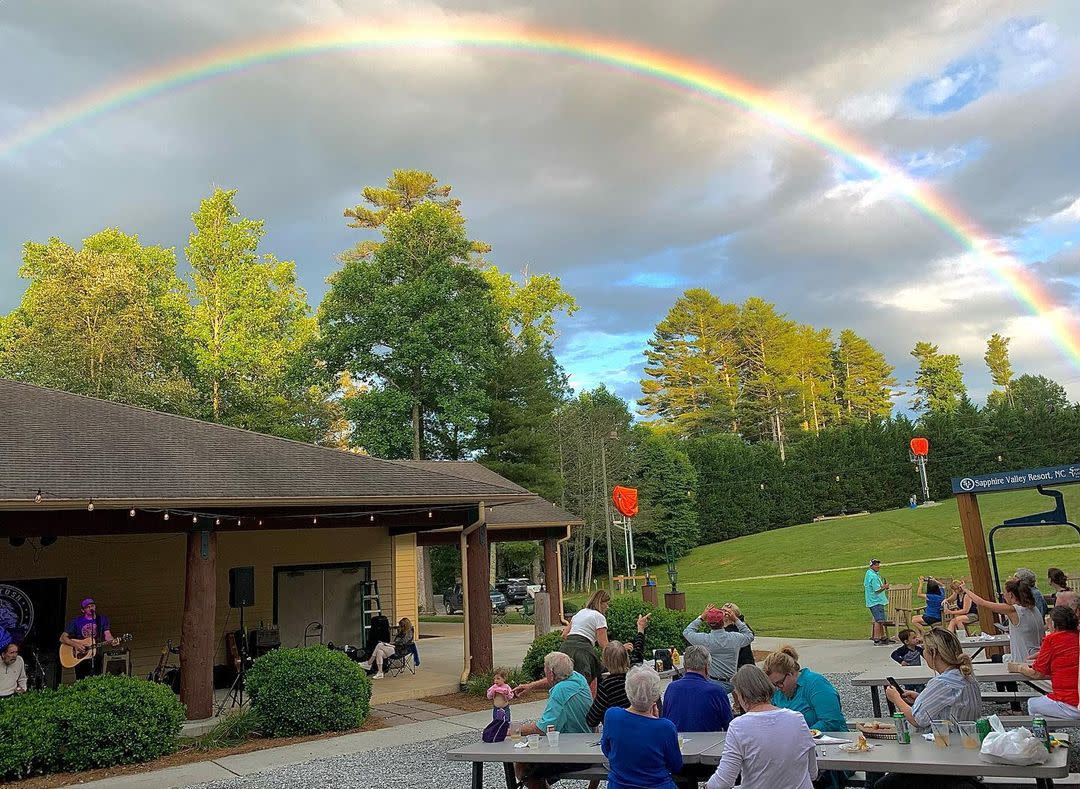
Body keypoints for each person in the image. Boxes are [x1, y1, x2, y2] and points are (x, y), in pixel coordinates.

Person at [878, 629, 982, 789]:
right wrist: (920, 698)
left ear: (933, 653)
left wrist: (896, 698)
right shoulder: (967, 677)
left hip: (941, 757)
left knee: (883, 784)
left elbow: (916, 719)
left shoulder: (942, 682)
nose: (923, 653)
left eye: (924, 649)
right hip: (965, 750)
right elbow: (950, 705)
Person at [705, 665, 818, 789]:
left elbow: (723, 782)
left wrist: (707, 786)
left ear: (743, 695)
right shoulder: (798, 719)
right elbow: (813, 772)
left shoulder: (738, 726)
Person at [515, 652, 593, 789]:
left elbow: (542, 729)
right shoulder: (577, 677)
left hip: (573, 755)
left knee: (524, 767)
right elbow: (554, 679)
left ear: (551, 673)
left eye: (545, 670)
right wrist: (531, 686)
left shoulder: (560, 691)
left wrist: (514, 730)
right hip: (586, 746)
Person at [602, 665, 682, 789]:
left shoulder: (612, 716)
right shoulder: (666, 727)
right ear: (656, 695)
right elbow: (675, 765)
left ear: (627, 690)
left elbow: (606, 749)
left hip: (619, 785)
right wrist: (656, 721)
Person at [1010, 605, 1080, 720]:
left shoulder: (1052, 639)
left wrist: (1019, 668)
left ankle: (1044, 732)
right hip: (1075, 700)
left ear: (1054, 623)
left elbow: (1037, 673)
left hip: (1070, 702)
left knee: (1032, 704)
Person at [763, 645, 846, 733]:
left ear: (791, 673)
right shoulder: (777, 691)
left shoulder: (816, 684)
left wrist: (801, 735)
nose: (778, 688)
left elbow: (831, 721)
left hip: (830, 739)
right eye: (774, 684)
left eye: (780, 682)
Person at [586, 614, 649, 728]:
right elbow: (638, 650)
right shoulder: (634, 674)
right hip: (640, 726)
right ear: (626, 658)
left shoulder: (606, 686)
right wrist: (640, 629)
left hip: (618, 730)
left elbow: (591, 720)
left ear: (605, 662)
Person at [962, 578, 1045, 660]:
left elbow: (982, 603)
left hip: (1025, 660)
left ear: (1011, 595)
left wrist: (965, 590)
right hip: (1040, 655)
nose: (1003, 595)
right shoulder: (1033, 608)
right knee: (998, 657)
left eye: (1004, 592)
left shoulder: (1014, 610)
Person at [682, 604, 753, 691]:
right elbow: (750, 636)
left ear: (708, 623)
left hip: (714, 683)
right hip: (733, 683)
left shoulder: (706, 640)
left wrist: (702, 617)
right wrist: (736, 619)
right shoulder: (734, 637)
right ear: (723, 622)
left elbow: (687, 632)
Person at [559, 589, 610, 689]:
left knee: (564, 680)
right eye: (607, 603)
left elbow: (564, 635)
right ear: (600, 603)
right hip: (583, 650)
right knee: (587, 681)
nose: (607, 607)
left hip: (566, 648)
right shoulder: (599, 617)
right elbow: (603, 644)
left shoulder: (580, 613)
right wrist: (619, 649)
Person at [60, 597, 118, 680]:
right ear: (83, 610)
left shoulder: (101, 619)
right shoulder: (76, 621)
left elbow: (107, 635)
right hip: (80, 656)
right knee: (81, 680)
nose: (91, 608)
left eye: (92, 606)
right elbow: (62, 638)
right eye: (88, 607)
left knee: (96, 680)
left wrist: (112, 641)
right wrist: (76, 645)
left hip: (96, 655)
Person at [864, 559, 891, 645]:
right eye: (876, 565)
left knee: (880, 619)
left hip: (872, 601)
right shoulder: (873, 576)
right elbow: (877, 589)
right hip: (876, 601)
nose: (878, 566)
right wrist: (885, 586)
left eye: (878, 564)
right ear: (871, 566)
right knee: (878, 620)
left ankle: (883, 637)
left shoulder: (869, 573)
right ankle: (876, 638)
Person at [482, 669, 513, 742]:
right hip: (496, 708)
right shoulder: (493, 687)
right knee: (496, 720)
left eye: (498, 679)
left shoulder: (507, 687)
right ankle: (496, 732)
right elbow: (489, 696)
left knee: (506, 720)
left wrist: (506, 693)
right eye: (495, 679)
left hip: (505, 707)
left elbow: (511, 696)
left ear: (504, 679)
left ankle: (506, 731)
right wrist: (492, 692)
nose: (496, 681)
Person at [723, 602, 756, 668]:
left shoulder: (739, 627)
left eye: (726, 611)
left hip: (743, 664)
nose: (723, 613)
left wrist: (735, 620)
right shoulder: (723, 627)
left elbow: (750, 634)